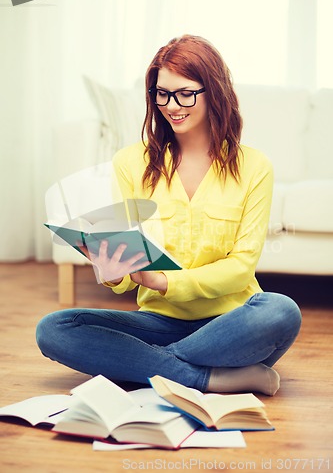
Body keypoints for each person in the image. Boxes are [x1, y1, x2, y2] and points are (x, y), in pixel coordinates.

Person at [36, 35, 302, 396]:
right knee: (54, 328)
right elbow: (130, 277)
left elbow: (241, 267)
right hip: (157, 321)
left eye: (185, 93)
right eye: (161, 93)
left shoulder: (254, 167)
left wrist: (161, 281)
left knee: (280, 311)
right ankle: (205, 378)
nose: (171, 105)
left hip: (232, 324)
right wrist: (114, 272)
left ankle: (144, 365)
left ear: (215, 91)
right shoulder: (131, 162)